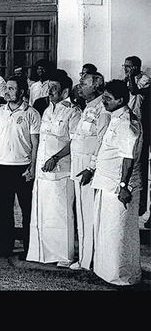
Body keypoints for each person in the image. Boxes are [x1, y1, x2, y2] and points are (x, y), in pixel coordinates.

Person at [80, 80, 142, 287]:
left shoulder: (126, 122)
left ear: (121, 100)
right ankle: (106, 272)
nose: (104, 102)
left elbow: (128, 158)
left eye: (108, 99)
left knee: (118, 233)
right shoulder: (115, 118)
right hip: (106, 183)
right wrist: (91, 169)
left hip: (118, 186)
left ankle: (121, 277)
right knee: (106, 231)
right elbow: (106, 149)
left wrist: (124, 186)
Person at [26, 69, 81, 267]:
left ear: (65, 92)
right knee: (42, 212)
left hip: (60, 171)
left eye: (54, 89)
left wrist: (55, 157)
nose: (50, 92)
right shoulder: (47, 110)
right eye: (49, 88)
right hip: (43, 171)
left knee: (60, 214)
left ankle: (63, 256)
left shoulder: (73, 112)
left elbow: (74, 142)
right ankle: (41, 253)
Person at [0, 75, 41, 259]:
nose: (6, 92)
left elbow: (35, 143)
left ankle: (28, 248)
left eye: (11, 88)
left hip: (23, 167)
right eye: (6, 88)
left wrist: (32, 167)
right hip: (2, 166)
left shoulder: (31, 113)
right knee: (2, 210)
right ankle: (4, 246)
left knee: (26, 210)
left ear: (22, 92)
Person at [68, 71, 110, 271]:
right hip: (79, 166)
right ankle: (85, 259)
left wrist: (90, 167)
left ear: (96, 86)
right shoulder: (87, 107)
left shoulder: (102, 108)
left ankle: (90, 260)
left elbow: (101, 141)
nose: (79, 86)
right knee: (82, 215)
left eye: (84, 83)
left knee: (89, 215)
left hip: (88, 170)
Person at [123, 55, 150, 222]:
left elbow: (134, 92)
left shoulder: (145, 80)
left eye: (129, 66)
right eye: (125, 66)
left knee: (138, 161)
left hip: (141, 124)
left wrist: (131, 77)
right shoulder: (126, 79)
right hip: (128, 122)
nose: (126, 69)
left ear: (136, 67)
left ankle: (140, 203)